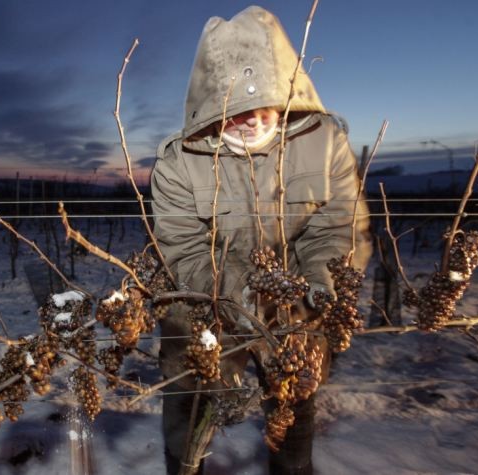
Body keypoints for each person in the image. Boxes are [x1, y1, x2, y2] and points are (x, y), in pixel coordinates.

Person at [150, 6, 372, 474]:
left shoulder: (325, 141)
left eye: (262, 104)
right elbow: (184, 248)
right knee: (190, 406)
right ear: (212, 106)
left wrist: (315, 291)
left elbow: (338, 229)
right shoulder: (176, 164)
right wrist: (240, 295)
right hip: (203, 303)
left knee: (293, 412)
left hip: (296, 307)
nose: (251, 121)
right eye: (235, 111)